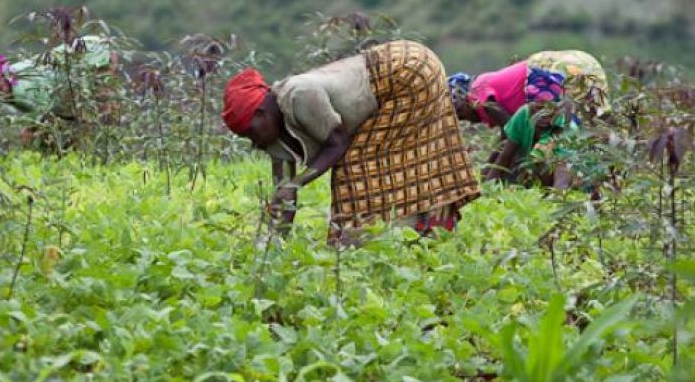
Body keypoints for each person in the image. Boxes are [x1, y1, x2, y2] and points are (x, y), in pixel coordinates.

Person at [221, 40, 479, 240]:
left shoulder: (299, 95)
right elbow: (285, 194)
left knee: (356, 168)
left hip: (407, 73)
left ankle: (393, 237)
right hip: (406, 71)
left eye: (251, 134)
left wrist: (298, 183)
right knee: (405, 163)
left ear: (262, 113)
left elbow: (338, 144)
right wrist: (275, 241)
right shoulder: (275, 135)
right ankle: (418, 230)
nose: (254, 143)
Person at [448, 50, 610, 188]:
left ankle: (575, 186)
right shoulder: (484, 83)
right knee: (590, 128)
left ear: (464, 103)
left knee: (565, 139)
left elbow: (510, 139)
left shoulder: (481, 97)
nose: (469, 121)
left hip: (559, 68)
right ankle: (601, 180)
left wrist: (487, 176)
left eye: (462, 116)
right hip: (583, 61)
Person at [0, 35, 121, 148]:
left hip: (92, 55)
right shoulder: (14, 78)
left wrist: (31, 129)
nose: (0, 97)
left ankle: (108, 147)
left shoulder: (23, 88)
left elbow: (45, 106)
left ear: (3, 78)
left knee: (101, 113)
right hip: (73, 75)